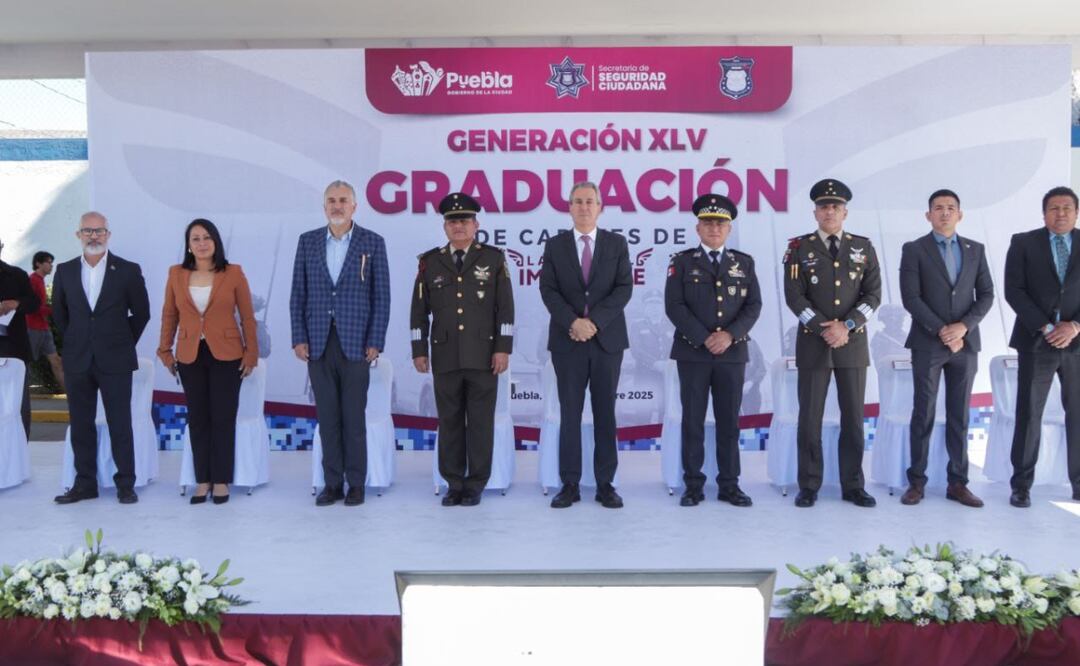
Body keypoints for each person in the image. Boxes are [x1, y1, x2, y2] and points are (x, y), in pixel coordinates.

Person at [410, 193, 514, 506]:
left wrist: (503, 348)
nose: (458, 226)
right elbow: (418, 310)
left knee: (480, 423)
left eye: (464, 221)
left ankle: (475, 484)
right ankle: (454, 483)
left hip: (484, 356)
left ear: (476, 225)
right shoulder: (430, 261)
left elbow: (505, 309)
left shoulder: (493, 259)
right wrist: (419, 349)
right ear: (445, 227)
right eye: (452, 221)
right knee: (451, 421)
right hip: (444, 355)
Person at [291, 180, 390, 507]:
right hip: (318, 343)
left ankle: (356, 483)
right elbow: (298, 295)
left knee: (353, 417)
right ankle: (332, 483)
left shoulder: (372, 242)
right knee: (328, 418)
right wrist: (299, 337)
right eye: (331, 201)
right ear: (324, 207)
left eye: (343, 200)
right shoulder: (307, 242)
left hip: (357, 344)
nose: (337, 206)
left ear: (354, 206)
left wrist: (376, 339)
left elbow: (381, 297)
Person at [783, 179, 881, 508]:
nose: (829, 211)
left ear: (845, 212)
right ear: (815, 212)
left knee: (853, 418)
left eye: (835, 207)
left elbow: (874, 295)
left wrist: (847, 326)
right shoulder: (798, 247)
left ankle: (853, 485)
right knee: (809, 417)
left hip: (852, 345)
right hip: (814, 343)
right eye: (824, 206)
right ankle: (809, 484)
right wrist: (822, 326)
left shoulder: (863, 247)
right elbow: (794, 296)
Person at [539, 181, 633, 509]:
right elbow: (548, 290)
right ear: (569, 207)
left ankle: (606, 483)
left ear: (600, 207)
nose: (583, 207)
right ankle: (569, 483)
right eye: (577, 202)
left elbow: (623, 289)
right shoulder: (555, 245)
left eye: (589, 201)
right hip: (568, 342)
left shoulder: (617, 244)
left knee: (605, 413)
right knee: (570, 413)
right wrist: (573, 322)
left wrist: (594, 323)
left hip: (607, 342)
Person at [898, 189, 993, 507]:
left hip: (965, 346)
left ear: (960, 214)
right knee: (923, 412)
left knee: (959, 415)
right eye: (938, 208)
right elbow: (911, 297)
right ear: (928, 215)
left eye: (951, 208)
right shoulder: (914, 249)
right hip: (928, 343)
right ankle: (916, 483)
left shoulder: (975, 249)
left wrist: (963, 327)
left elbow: (987, 295)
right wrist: (942, 329)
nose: (944, 212)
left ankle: (958, 483)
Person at [665, 194, 761, 507]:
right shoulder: (681, 262)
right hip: (693, 353)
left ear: (729, 228)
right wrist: (705, 337)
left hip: (732, 355)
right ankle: (693, 484)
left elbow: (753, 305)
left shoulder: (743, 263)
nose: (714, 228)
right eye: (708, 223)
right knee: (692, 420)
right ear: (698, 228)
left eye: (720, 223)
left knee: (728, 422)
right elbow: (674, 306)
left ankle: (730, 484)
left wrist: (730, 335)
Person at [51, 212, 150, 504]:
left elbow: (141, 313)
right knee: (81, 424)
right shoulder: (65, 270)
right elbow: (60, 313)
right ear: (78, 235)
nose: (94, 236)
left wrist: (120, 342)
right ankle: (85, 484)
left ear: (108, 234)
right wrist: (78, 340)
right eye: (88, 231)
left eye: (99, 231)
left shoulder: (128, 270)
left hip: (115, 359)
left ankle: (125, 484)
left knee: (120, 422)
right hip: (78, 358)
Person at [158, 219, 258, 505]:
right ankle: (203, 480)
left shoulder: (233, 273)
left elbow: (248, 316)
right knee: (198, 418)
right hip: (189, 354)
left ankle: (222, 480)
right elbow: (169, 315)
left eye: (206, 238)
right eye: (195, 239)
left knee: (223, 418)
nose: (201, 243)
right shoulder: (176, 274)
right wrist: (165, 350)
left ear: (216, 241)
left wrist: (251, 352)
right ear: (188, 245)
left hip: (227, 354)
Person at [1005, 186, 1080, 507]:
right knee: (1029, 414)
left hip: (1077, 343)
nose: (1060, 213)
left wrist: (1074, 326)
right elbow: (1015, 290)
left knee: (1077, 414)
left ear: (1076, 212)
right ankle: (1021, 485)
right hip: (1037, 341)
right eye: (1053, 208)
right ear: (1043, 213)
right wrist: (1048, 327)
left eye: (1066, 208)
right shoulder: (1023, 243)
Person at [0, 237, 39, 438]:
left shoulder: (16, 275)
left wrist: (15, 303)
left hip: (13, 349)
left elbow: (34, 303)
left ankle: (20, 448)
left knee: (19, 404)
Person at [27, 251, 65, 392]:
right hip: (32, 328)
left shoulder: (41, 281)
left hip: (43, 328)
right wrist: (56, 310)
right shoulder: (33, 280)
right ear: (38, 263)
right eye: (48, 262)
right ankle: (19, 398)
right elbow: (32, 306)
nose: (51, 265)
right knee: (25, 363)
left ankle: (71, 398)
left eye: (51, 262)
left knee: (56, 362)